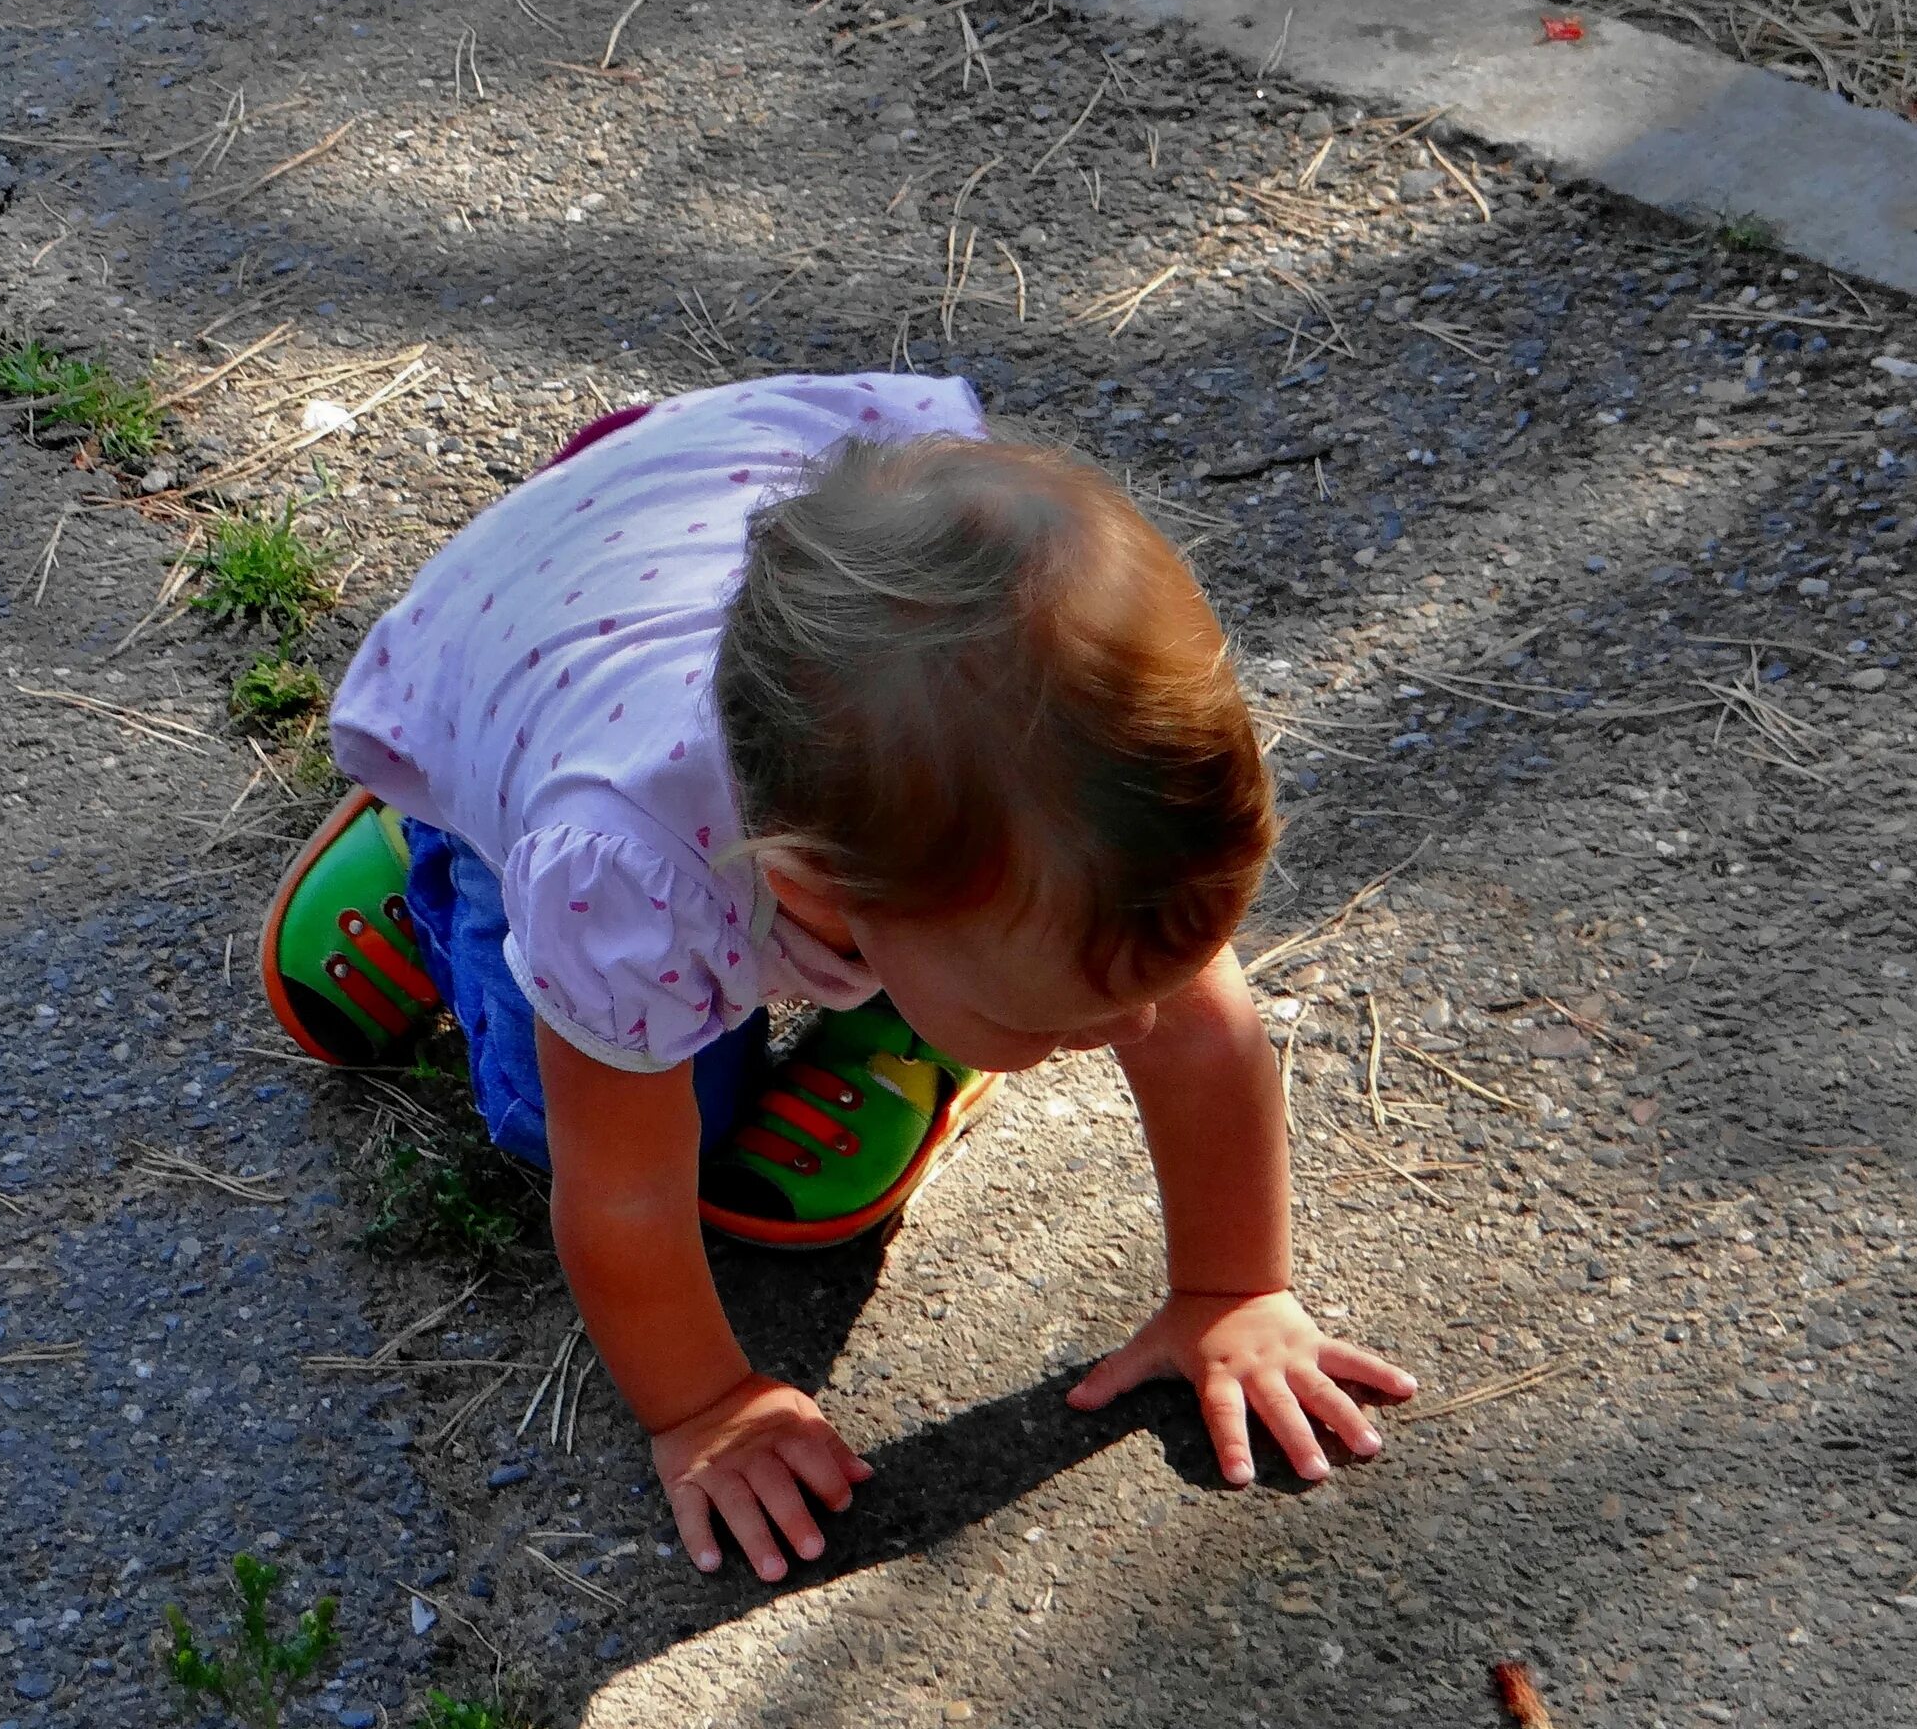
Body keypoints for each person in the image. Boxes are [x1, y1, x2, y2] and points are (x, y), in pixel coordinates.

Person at [259, 373, 1416, 1581]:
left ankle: (944, 1005)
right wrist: (705, 1408)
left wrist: (1231, 1289)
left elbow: (1198, 1032)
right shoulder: (627, 879)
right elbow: (623, 1200)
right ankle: (434, 851)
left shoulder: (1067, 820)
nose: (1141, 1021)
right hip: (504, 659)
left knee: (996, 968)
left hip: (703, 517)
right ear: (817, 894)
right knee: (586, 1118)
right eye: (1064, 1012)